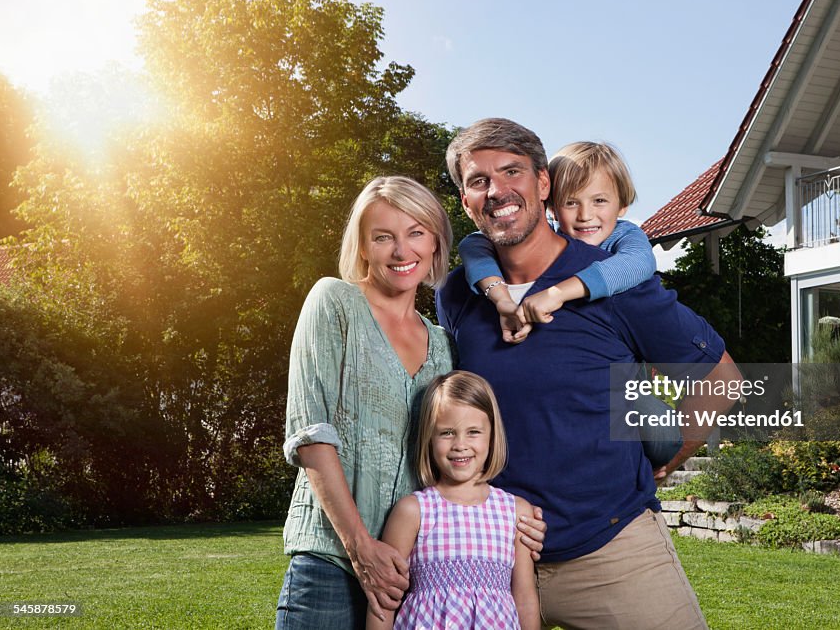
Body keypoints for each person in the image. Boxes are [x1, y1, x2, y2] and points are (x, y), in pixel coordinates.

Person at [437, 118, 741, 630]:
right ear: (466, 200)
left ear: (542, 183)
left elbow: (723, 380)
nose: (497, 190)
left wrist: (667, 459)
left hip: (613, 549)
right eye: (478, 180)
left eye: (511, 171)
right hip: (492, 560)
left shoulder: (617, 281)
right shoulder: (458, 295)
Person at [275, 176, 545, 629]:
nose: (402, 252)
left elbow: (462, 444)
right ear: (362, 246)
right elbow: (311, 435)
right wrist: (361, 548)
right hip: (332, 559)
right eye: (384, 237)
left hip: (417, 577)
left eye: (416, 233)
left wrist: (513, 521)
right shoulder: (334, 302)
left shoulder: (443, 343)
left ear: (436, 242)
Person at [458, 140, 680, 467]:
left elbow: (638, 263)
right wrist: (501, 297)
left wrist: (558, 293)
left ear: (621, 206)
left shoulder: (624, 237)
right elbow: (473, 244)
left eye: (600, 200)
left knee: (659, 436)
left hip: (631, 400)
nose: (586, 215)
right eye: (571, 202)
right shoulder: (543, 238)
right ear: (551, 206)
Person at [366, 370, 540, 630]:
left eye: (473, 432)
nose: (460, 444)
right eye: (447, 433)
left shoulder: (515, 512)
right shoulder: (413, 511)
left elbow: (525, 597)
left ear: (492, 436)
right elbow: (384, 598)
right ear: (429, 438)